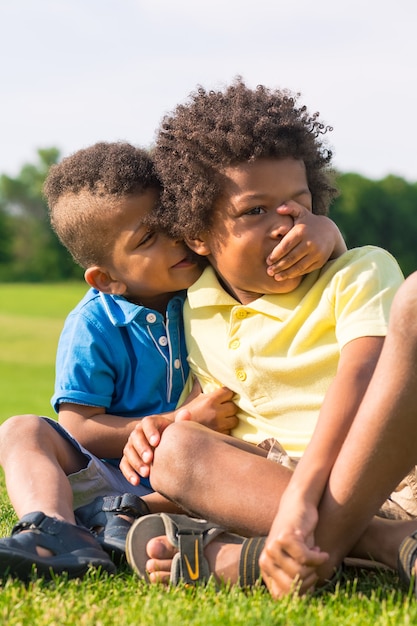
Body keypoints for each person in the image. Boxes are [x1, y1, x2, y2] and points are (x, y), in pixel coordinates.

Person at [120, 79, 417, 597]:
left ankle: (251, 561)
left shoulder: (358, 270)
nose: (285, 223)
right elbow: (218, 412)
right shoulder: (195, 305)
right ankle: (386, 544)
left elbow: (364, 376)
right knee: (175, 450)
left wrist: (303, 497)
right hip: (274, 487)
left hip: (383, 472)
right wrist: (168, 425)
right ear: (196, 233)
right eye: (254, 211)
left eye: (298, 204)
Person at [0, 140, 342, 582]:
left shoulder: (213, 284)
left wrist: (328, 233)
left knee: (214, 470)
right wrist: (177, 419)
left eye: (173, 222)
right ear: (107, 279)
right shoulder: (95, 325)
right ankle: (58, 529)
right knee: (20, 429)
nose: (174, 239)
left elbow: (315, 279)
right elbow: (79, 426)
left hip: (197, 472)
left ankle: (127, 523)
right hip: (117, 471)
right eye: (147, 238)